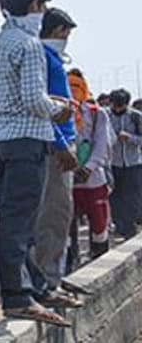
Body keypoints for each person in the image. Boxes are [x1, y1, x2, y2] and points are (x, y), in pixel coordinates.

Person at [0, 0, 77, 326]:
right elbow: (36, 100)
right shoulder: (30, 45)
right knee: (20, 223)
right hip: (29, 138)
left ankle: (37, 286)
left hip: (4, 138)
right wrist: (59, 108)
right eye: (43, 5)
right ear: (35, 5)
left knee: (20, 218)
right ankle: (17, 296)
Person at [25, 8, 80, 295]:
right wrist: (60, 144)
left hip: (61, 141)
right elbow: (41, 105)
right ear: (58, 30)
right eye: (65, 32)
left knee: (60, 215)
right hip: (53, 146)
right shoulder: (42, 57)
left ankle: (53, 274)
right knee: (51, 215)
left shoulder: (52, 58)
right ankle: (46, 279)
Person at [67, 70, 113, 266]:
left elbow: (102, 144)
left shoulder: (96, 114)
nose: (73, 91)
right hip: (67, 179)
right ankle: (71, 263)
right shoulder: (60, 113)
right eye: (70, 86)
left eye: (77, 86)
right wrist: (72, 169)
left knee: (99, 224)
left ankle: (100, 261)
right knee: (67, 226)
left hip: (93, 180)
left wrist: (88, 168)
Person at [107, 88, 142, 240]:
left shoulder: (136, 117)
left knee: (132, 197)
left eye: (120, 106)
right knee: (115, 196)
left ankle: (129, 227)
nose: (117, 109)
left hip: (133, 162)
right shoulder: (106, 116)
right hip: (113, 163)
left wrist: (130, 138)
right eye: (115, 105)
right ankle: (119, 226)